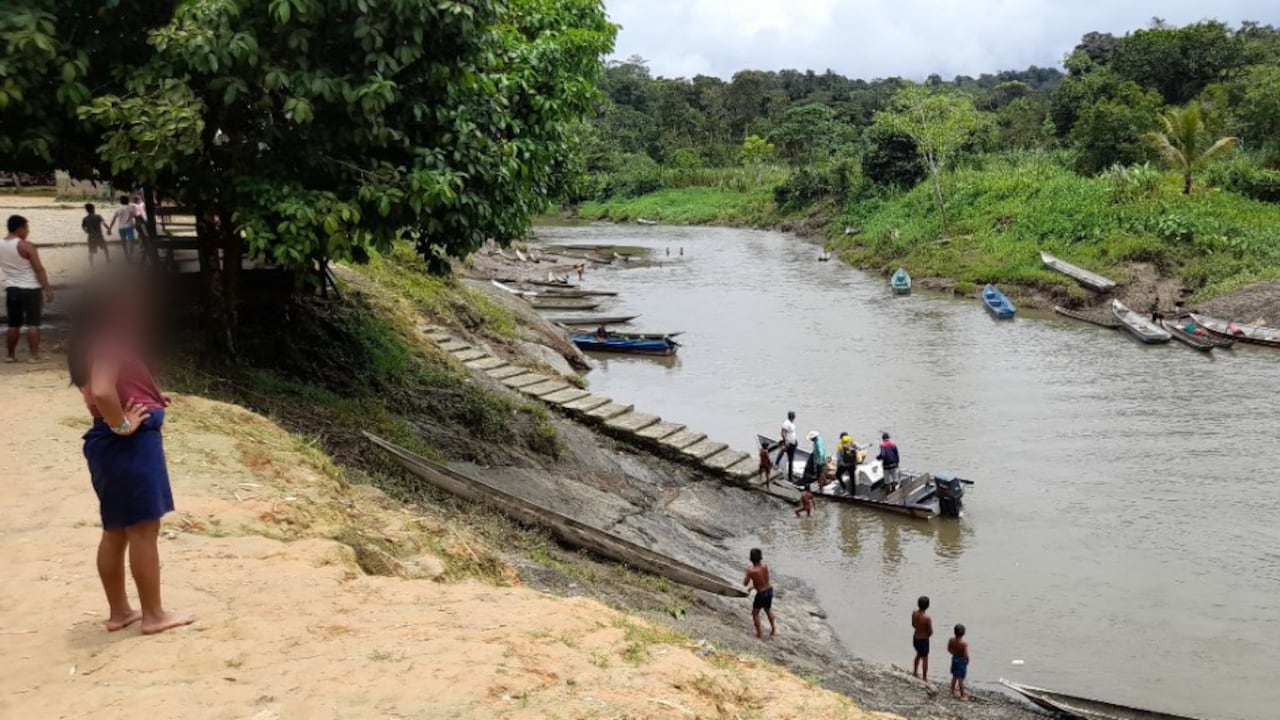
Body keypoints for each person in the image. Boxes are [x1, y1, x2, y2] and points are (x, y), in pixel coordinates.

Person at [69, 270, 194, 635]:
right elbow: (106, 392)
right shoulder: (110, 341)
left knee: (117, 531)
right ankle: (153, 614)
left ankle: (121, 611)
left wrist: (151, 398)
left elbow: (108, 388)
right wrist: (123, 425)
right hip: (128, 446)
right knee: (143, 530)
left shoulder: (93, 341)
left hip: (110, 447)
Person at [3, 215, 53, 363]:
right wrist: (47, 288)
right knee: (33, 324)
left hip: (12, 288)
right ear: (20, 228)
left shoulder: (0, 244)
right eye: (27, 228)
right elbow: (39, 269)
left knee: (13, 324)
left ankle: (10, 355)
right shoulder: (26, 246)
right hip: (30, 288)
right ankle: (33, 356)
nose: (28, 231)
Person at [743, 548, 776, 639]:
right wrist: (753, 587)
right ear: (760, 557)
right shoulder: (765, 566)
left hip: (761, 594)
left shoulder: (751, 571)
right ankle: (774, 630)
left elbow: (745, 583)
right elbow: (763, 581)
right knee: (768, 610)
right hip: (769, 590)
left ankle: (759, 634)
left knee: (755, 613)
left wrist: (747, 573)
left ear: (751, 558)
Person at [912, 596, 934, 681]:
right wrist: (927, 635)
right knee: (925, 658)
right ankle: (924, 678)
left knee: (918, 654)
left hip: (916, 637)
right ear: (927, 606)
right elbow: (930, 631)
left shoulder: (914, 613)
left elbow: (913, 624)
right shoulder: (927, 618)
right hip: (924, 640)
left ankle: (915, 672)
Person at [107, 196, 136, 261]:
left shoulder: (118, 209)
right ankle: (130, 255)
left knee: (123, 242)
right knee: (131, 241)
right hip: (129, 227)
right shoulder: (131, 208)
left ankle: (126, 255)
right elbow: (135, 216)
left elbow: (113, 219)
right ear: (127, 201)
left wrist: (110, 228)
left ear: (120, 201)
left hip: (121, 228)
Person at [775, 411, 798, 484]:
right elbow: (783, 433)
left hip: (793, 442)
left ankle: (777, 463)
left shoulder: (791, 423)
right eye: (793, 416)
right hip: (788, 443)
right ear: (791, 416)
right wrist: (786, 441)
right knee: (790, 459)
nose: (794, 417)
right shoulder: (786, 423)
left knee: (786, 455)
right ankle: (790, 477)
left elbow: (792, 432)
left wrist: (795, 440)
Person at [948, 624, 969, 700]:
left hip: (954, 658)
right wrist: (967, 660)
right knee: (960, 678)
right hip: (961, 661)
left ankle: (952, 692)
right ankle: (962, 695)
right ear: (963, 633)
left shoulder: (951, 640)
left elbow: (949, 649)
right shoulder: (964, 644)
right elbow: (966, 655)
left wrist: (954, 654)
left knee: (954, 676)